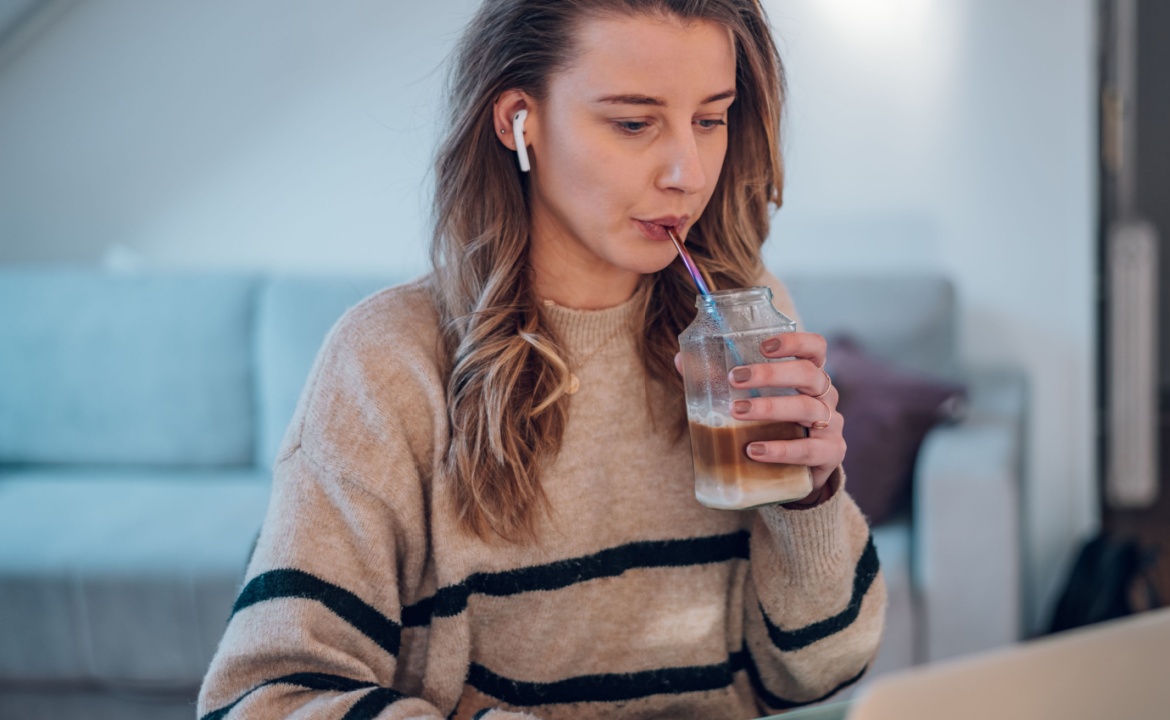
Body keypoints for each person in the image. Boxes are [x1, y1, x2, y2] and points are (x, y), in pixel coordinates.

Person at [196, 0, 885, 717]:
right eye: (633, 122)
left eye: (710, 119)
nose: (687, 172)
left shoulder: (745, 322)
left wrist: (809, 501)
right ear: (518, 121)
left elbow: (816, 673)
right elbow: (262, 701)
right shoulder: (388, 360)